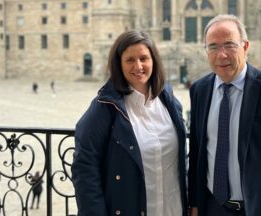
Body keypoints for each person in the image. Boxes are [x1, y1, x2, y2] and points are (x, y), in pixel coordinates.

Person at [188, 15, 261, 216]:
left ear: (245, 46)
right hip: (213, 207)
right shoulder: (200, 90)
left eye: (229, 45)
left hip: (259, 208)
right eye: (213, 47)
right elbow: (198, 151)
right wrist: (195, 203)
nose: (221, 54)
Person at [72, 30, 188, 216]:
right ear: (118, 64)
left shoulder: (168, 100)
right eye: (130, 60)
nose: (138, 66)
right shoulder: (104, 107)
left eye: (144, 58)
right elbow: (85, 168)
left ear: (154, 61)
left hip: (172, 209)